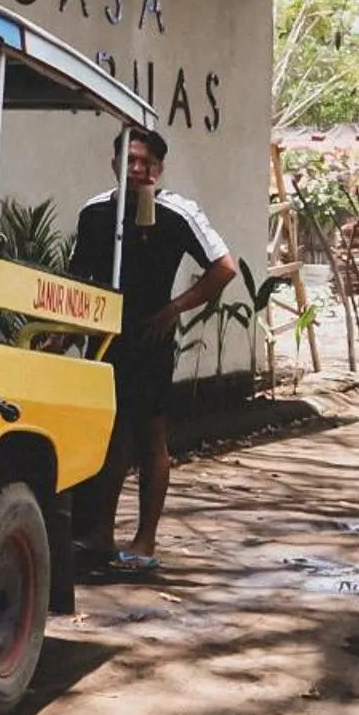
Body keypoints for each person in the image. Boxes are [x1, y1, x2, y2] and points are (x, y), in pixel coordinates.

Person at [69, 127, 236, 572]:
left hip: (151, 339)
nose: (138, 169)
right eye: (130, 160)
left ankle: (144, 541)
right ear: (115, 162)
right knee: (108, 437)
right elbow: (79, 279)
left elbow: (224, 268)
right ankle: (99, 535)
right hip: (103, 338)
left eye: (146, 163)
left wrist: (174, 309)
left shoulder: (177, 213)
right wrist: (61, 334)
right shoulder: (95, 213)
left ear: (159, 169)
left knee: (150, 438)